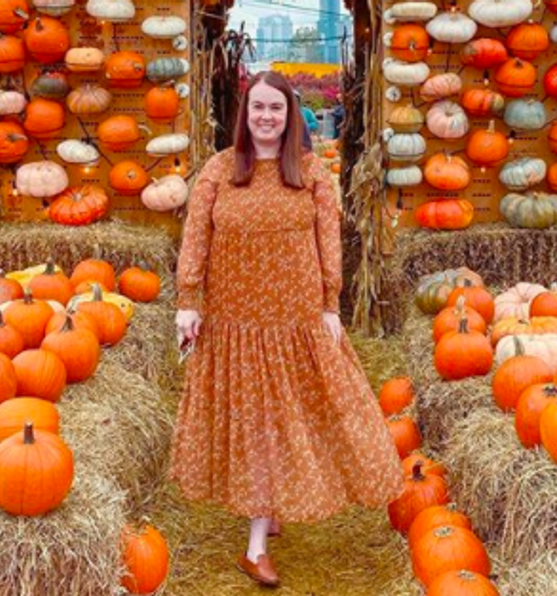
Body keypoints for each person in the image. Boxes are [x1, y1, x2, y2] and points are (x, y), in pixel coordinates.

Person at [171, 71, 404, 588]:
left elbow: (329, 243)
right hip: (236, 318)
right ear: (245, 113)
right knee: (254, 415)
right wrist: (188, 301)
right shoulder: (219, 170)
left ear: (291, 115)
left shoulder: (313, 173)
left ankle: (263, 510)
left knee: (290, 410)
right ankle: (256, 545)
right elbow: (196, 239)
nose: (267, 117)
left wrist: (328, 304)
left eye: (277, 108)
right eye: (258, 108)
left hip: (293, 318)